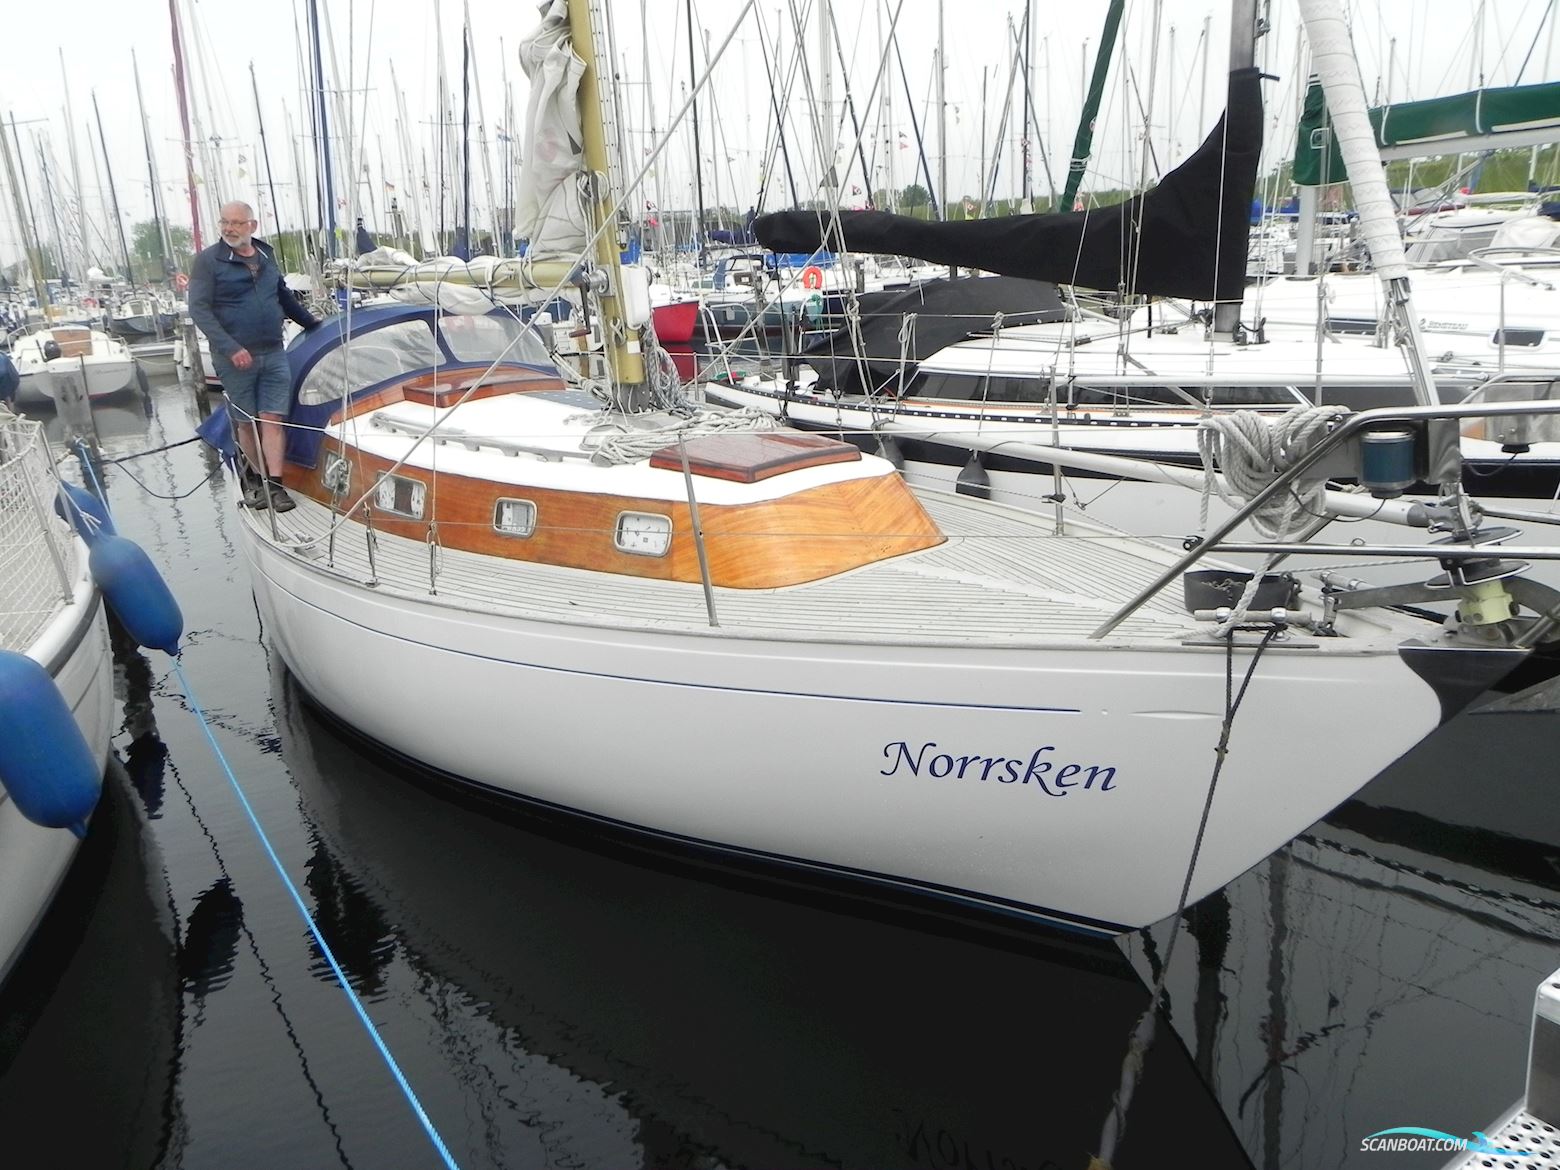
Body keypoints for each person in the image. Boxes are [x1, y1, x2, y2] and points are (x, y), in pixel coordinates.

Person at [187, 200, 321, 512]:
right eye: (224, 222)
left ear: (252, 226)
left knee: (273, 418)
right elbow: (199, 309)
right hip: (233, 357)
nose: (229, 229)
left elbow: (283, 296)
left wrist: (313, 323)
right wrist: (231, 348)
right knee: (247, 422)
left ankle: (275, 486)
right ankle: (259, 481)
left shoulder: (265, 254)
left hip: (272, 351)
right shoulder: (208, 261)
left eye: (236, 223)